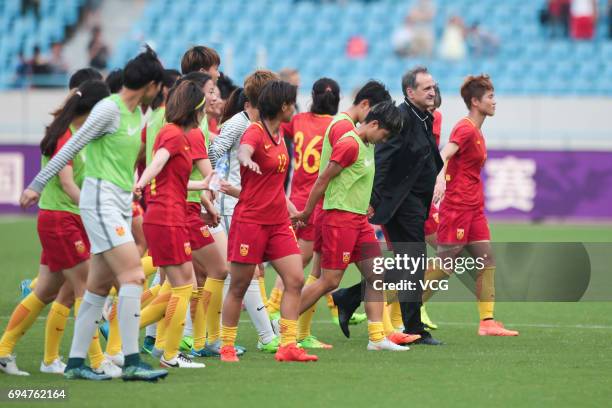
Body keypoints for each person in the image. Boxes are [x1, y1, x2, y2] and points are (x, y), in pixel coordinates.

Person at [20, 46, 169, 382]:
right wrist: (37, 183)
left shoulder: (136, 114)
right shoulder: (109, 109)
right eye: (159, 86)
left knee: (97, 287)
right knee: (133, 276)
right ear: (149, 85)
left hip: (115, 204)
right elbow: (71, 146)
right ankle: (130, 360)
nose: (160, 93)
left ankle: (74, 364)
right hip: (100, 204)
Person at [0, 81, 117, 377]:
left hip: (64, 219)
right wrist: (95, 211)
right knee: (87, 288)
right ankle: (94, 361)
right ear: (93, 109)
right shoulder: (66, 137)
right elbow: (66, 183)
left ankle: (6, 351)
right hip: (61, 220)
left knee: (46, 291)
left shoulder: (76, 133)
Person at [292, 100, 408, 352]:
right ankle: (283, 327)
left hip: (359, 221)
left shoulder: (367, 144)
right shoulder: (348, 144)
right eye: (384, 135)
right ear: (374, 124)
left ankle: (376, 339)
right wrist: (307, 212)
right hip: (339, 219)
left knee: (376, 275)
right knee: (330, 281)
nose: (384, 140)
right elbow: (323, 179)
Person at [220, 80, 318, 363]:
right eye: (293, 102)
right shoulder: (255, 131)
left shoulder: (280, 134)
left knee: (295, 279)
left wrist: (293, 211)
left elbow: (274, 185)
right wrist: (246, 158)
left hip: (277, 223)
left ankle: (287, 345)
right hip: (250, 221)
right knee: (238, 286)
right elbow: (244, 150)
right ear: (283, 106)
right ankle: (227, 346)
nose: (295, 107)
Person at [426, 74, 519, 337]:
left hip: (474, 208)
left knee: (486, 258)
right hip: (457, 208)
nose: (495, 101)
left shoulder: (477, 132)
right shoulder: (465, 128)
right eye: (490, 97)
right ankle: (399, 312)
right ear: (476, 102)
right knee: (444, 267)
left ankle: (487, 322)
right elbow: (444, 153)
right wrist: (440, 179)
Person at [134, 80, 209, 368]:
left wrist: (203, 183)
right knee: (183, 287)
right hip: (167, 218)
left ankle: (124, 330)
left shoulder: (173, 133)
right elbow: (158, 162)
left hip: (168, 216)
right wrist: (141, 182)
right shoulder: (175, 135)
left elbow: (171, 177)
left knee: (179, 286)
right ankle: (169, 354)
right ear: (197, 110)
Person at [368, 67, 444, 346]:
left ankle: (349, 297)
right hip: (400, 204)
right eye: (426, 88)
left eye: (433, 87)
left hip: (415, 203)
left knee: (406, 266)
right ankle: (415, 328)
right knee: (413, 264)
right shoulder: (400, 117)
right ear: (409, 92)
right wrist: (374, 202)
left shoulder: (424, 117)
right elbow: (383, 160)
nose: (432, 92)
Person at [208, 70, 280, 354]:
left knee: (248, 272)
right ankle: (265, 335)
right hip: (231, 204)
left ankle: (263, 333)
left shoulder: (257, 123)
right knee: (241, 272)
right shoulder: (239, 123)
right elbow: (214, 149)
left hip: (246, 202)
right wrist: (214, 180)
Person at [268, 78, 341, 350]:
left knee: (307, 259)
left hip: (295, 195)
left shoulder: (297, 120)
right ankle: (275, 309)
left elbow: (275, 126)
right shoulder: (335, 127)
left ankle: (296, 315)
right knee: (306, 260)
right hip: (316, 202)